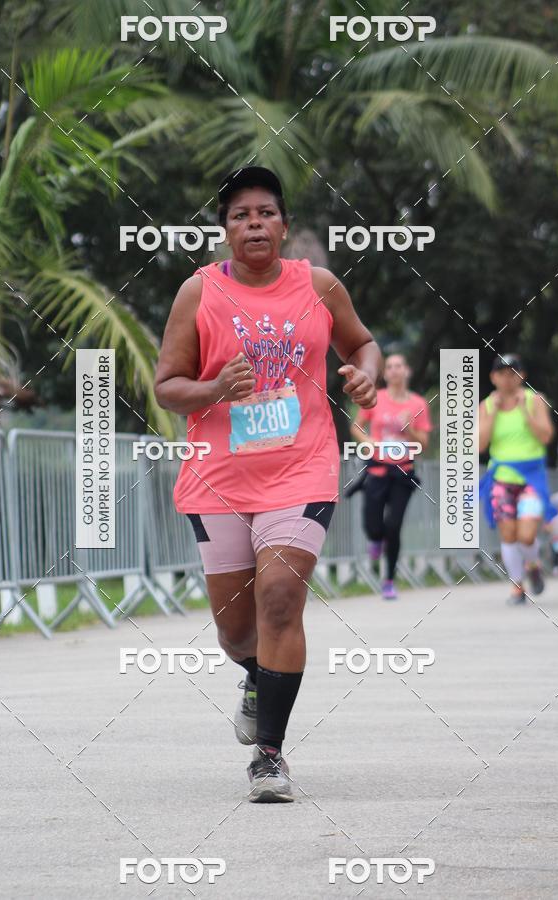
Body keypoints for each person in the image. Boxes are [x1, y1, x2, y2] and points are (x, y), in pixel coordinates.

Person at [154, 166, 382, 802]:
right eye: (239, 215)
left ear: (284, 225)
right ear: (225, 230)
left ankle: (269, 756)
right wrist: (213, 388)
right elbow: (167, 385)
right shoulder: (197, 294)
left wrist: (364, 375)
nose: (253, 223)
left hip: (301, 467)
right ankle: (257, 677)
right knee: (235, 630)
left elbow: (362, 345)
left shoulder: (320, 286)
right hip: (219, 474)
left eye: (265, 212)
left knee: (280, 598)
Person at [350, 353, 432, 599]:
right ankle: (376, 540)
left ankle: (388, 580)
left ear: (406, 371)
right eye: (390, 367)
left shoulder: (418, 404)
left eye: (399, 366)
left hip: (403, 473)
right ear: (385, 374)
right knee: (373, 526)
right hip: (376, 470)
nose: (395, 371)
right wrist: (368, 441)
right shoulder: (376, 399)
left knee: (394, 527)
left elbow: (424, 443)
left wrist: (409, 430)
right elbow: (356, 426)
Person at [479, 353, 556, 604]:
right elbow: (480, 445)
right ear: (493, 378)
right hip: (501, 478)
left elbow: (545, 437)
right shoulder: (487, 406)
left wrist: (524, 411)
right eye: (502, 373)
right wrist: (493, 412)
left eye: (513, 373)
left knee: (526, 535)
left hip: (531, 479)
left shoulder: (536, 400)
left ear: (522, 375)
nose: (507, 378)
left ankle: (533, 564)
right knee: (508, 534)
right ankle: (517, 586)